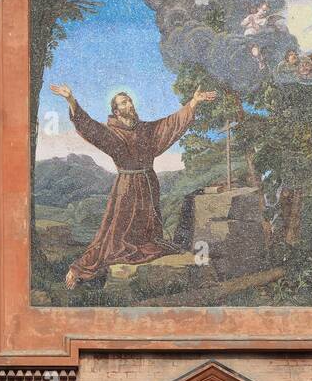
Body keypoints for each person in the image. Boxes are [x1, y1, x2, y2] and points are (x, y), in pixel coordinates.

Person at [48, 83, 216, 287]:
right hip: (127, 187)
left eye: (130, 100)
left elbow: (170, 124)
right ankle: (80, 269)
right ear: (116, 111)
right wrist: (71, 100)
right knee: (116, 237)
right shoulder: (112, 133)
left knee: (147, 238)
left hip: (148, 184)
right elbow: (89, 127)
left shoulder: (145, 130)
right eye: (124, 102)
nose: (130, 104)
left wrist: (194, 102)